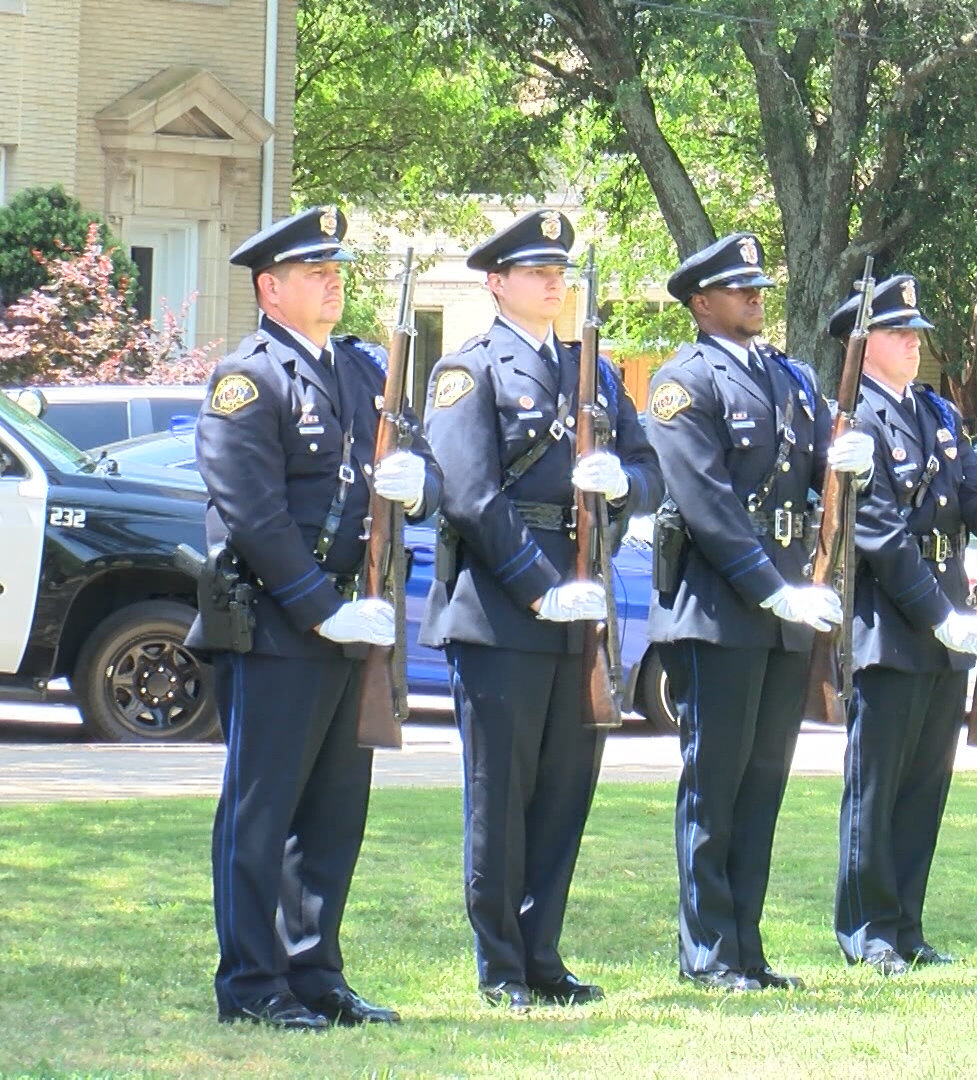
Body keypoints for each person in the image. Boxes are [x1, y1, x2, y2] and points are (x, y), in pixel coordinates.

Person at [194, 205, 441, 1029]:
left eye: (335, 270)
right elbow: (253, 515)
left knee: (334, 815)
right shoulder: (247, 378)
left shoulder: (363, 371)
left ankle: (314, 971)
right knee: (261, 815)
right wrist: (319, 611)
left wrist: (419, 484)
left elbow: (423, 463)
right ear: (270, 288)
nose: (333, 281)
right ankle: (251, 983)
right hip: (274, 628)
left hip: (354, 622)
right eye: (313, 271)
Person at [420, 208, 662, 1011]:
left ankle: (543, 953)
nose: (554, 281)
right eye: (535, 271)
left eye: (558, 270)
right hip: (503, 610)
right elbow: (469, 495)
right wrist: (539, 585)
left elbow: (648, 465)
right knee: (502, 794)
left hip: (582, 604)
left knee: (564, 792)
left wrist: (624, 487)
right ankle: (501, 964)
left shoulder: (592, 370)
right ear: (497, 283)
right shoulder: (469, 369)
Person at [647, 232, 873, 991]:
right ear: (700, 302)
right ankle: (707, 950)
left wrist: (847, 464)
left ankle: (746, 944)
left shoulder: (794, 380)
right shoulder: (684, 382)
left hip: (784, 611)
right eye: (738, 288)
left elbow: (817, 476)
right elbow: (706, 504)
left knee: (763, 784)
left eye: (758, 286)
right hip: (718, 610)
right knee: (714, 783)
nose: (755, 297)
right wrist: (770, 587)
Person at [826, 274, 977, 975]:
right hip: (890, 624)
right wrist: (942, 615)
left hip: (943, 626)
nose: (915, 342)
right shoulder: (854, 420)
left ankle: (906, 925)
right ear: (865, 342)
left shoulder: (935, 413)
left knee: (923, 789)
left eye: (916, 331)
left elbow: (971, 496)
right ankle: (867, 929)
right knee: (876, 790)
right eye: (899, 332)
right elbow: (877, 532)